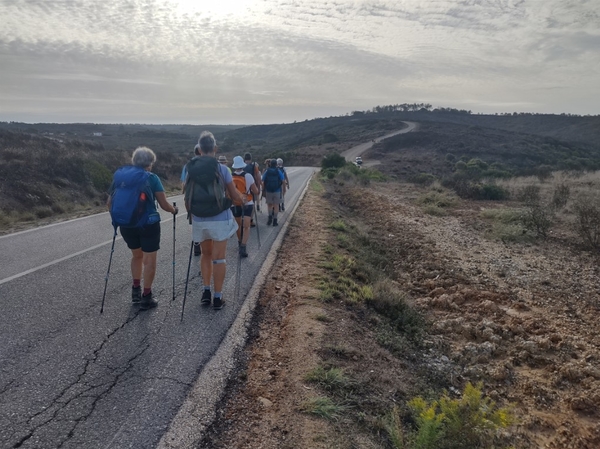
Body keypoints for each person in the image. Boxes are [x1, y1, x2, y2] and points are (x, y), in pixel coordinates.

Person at [108, 146, 178, 310]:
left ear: (134, 161)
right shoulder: (152, 178)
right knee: (149, 261)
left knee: (136, 256)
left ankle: (135, 290)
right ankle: (146, 296)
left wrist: (119, 218)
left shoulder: (120, 178)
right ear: (150, 163)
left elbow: (109, 203)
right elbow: (163, 204)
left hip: (126, 224)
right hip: (148, 224)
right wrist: (174, 210)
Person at [184, 131, 246, 310]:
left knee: (205, 254)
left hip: (199, 218)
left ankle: (205, 291)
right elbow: (234, 195)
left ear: (199, 149)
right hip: (220, 218)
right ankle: (218, 297)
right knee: (219, 258)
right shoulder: (222, 169)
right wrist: (241, 200)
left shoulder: (191, 168)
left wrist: (192, 215)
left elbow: (186, 194)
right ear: (215, 148)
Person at [231, 156, 259, 257]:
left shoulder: (230, 176)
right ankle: (243, 246)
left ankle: (239, 243)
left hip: (234, 204)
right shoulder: (248, 176)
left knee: (238, 226)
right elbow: (256, 191)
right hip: (247, 204)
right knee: (246, 227)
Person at [181, 144, 201, 256]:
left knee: (194, 221)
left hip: (192, 197)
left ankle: (197, 245)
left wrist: (184, 192)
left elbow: (184, 181)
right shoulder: (209, 163)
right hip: (205, 196)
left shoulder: (188, 165)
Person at [262, 159, 285, 226]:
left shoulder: (267, 171)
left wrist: (263, 190)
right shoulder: (278, 171)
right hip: (277, 190)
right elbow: (283, 180)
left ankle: (269, 218)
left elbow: (263, 180)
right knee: (276, 205)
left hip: (268, 191)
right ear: (276, 164)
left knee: (269, 205)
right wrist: (284, 189)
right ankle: (275, 220)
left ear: (270, 164)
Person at [243, 152, 261, 225]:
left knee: (243, 202)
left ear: (244, 159)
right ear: (251, 158)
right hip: (252, 187)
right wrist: (258, 187)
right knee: (252, 203)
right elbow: (258, 177)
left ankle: (243, 219)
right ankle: (251, 220)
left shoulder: (241, 166)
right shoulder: (254, 166)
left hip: (242, 187)